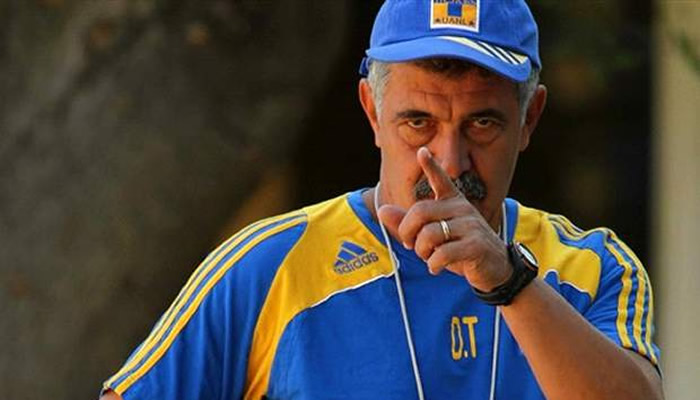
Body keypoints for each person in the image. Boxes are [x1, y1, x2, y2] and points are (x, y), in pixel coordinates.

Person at [100, 0, 663, 399]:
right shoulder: (270, 266)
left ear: (529, 120)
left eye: (482, 123)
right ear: (372, 112)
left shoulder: (590, 265)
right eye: (418, 122)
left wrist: (509, 281)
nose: (450, 161)